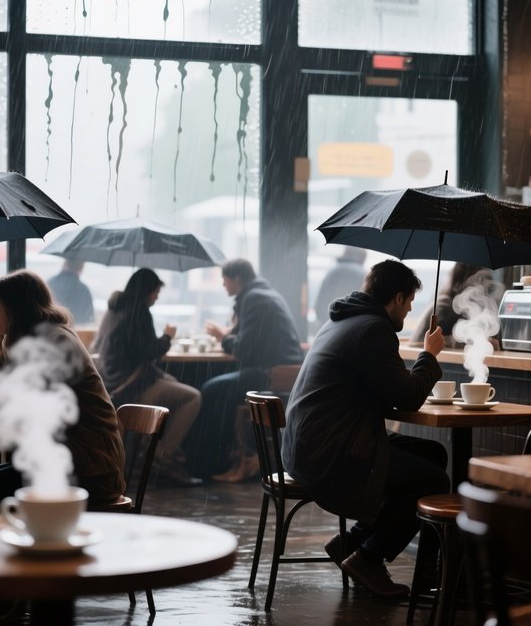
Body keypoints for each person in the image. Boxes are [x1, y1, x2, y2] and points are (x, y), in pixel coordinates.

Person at [281, 259, 450, 599]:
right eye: (410, 303)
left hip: (311, 445)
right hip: (333, 452)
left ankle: (353, 541)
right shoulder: (373, 330)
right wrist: (429, 356)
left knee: (433, 452)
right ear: (398, 298)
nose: (410, 311)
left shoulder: (344, 320)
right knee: (434, 480)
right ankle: (368, 558)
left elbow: (387, 388)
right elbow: (408, 397)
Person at [0, 270, 126, 512]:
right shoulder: (42, 338)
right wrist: (1, 355)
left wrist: (2, 359)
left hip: (93, 467)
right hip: (73, 457)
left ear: (16, 309)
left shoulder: (54, 342)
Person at [191, 258, 304, 479]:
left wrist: (223, 336)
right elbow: (247, 341)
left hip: (272, 374)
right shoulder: (260, 294)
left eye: (225, 280)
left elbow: (244, 349)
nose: (223, 285)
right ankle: (218, 458)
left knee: (211, 390)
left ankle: (213, 462)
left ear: (237, 279)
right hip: (274, 369)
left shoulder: (255, 299)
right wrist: (228, 335)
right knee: (214, 386)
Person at [91, 268, 202, 487]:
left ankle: (152, 453)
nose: (157, 297)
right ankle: (161, 459)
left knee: (174, 385)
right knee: (193, 397)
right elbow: (150, 352)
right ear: (147, 291)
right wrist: (167, 337)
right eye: (156, 292)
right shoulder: (139, 312)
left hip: (113, 382)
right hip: (131, 387)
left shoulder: (115, 309)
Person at [410, 262, 503, 347]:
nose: (482, 293)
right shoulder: (443, 307)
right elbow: (440, 342)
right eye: (481, 286)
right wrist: (481, 342)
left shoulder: (453, 306)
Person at [314, 246, 368, 330]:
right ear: (361, 257)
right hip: (350, 324)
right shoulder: (361, 273)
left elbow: (320, 301)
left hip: (327, 322)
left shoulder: (332, 270)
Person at [48, 258, 95, 324]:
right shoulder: (83, 289)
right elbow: (88, 320)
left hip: (49, 330)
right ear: (81, 267)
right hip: (75, 331)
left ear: (65, 264)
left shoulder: (49, 283)